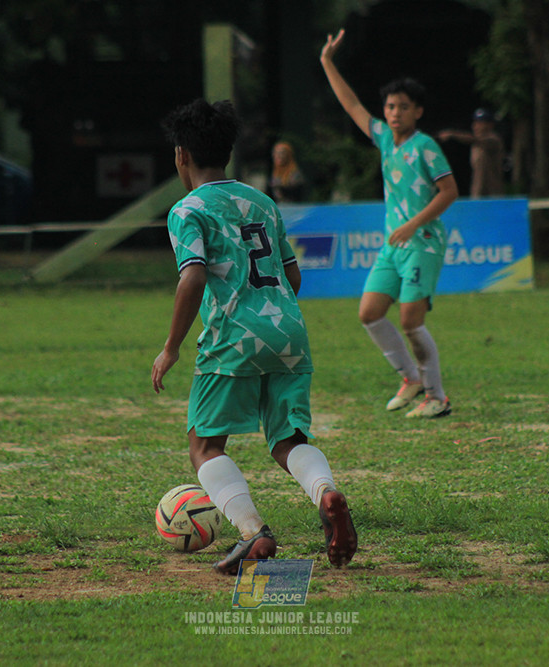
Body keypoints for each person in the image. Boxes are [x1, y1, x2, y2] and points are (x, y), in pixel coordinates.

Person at [151, 98, 357, 575]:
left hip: (232, 337)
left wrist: (171, 347)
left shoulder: (188, 210)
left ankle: (252, 532)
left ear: (181, 155)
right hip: (289, 330)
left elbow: (194, 277)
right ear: (226, 150)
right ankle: (326, 492)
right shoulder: (262, 200)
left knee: (205, 446)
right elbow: (292, 274)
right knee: (287, 440)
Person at [320, 29, 458, 419]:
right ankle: (410, 378)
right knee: (369, 313)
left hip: (422, 241)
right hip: (393, 245)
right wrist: (327, 61)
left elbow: (449, 192)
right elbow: (350, 105)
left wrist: (413, 224)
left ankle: (437, 397)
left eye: (402, 106)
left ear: (418, 112)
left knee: (411, 320)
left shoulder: (425, 146)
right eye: (390, 106)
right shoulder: (383, 138)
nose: (394, 112)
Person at [438, 108, 506, 197]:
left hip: (493, 192)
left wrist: (452, 134)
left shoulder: (493, 139)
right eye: (475, 122)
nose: (476, 126)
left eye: (481, 123)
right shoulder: (476, 144)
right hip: (478, 192)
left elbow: (473, 139)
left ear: (490, 125)